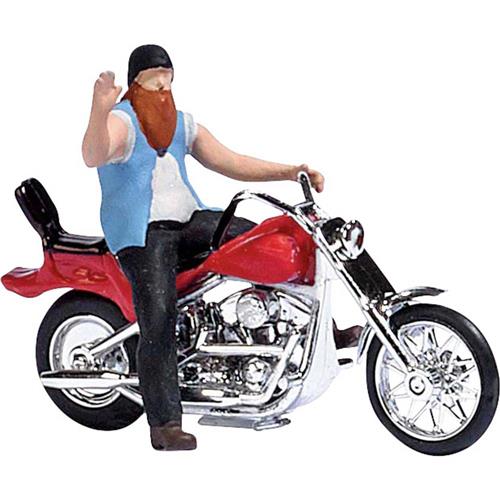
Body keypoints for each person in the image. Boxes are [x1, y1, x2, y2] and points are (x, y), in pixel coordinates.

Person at [81, 44, 329, 451]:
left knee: (265, 242)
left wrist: (290, 171)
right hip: (143, 233)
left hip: (190, 220)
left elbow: (230, 161)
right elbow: (93, 154)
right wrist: (99, 108)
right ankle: (165, 424)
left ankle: (318, 333)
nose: (163, 87)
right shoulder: (122, 122)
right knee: (158, 316)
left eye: (167, 78)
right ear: (135, 83)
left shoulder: (181, 124)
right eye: (153, 80)